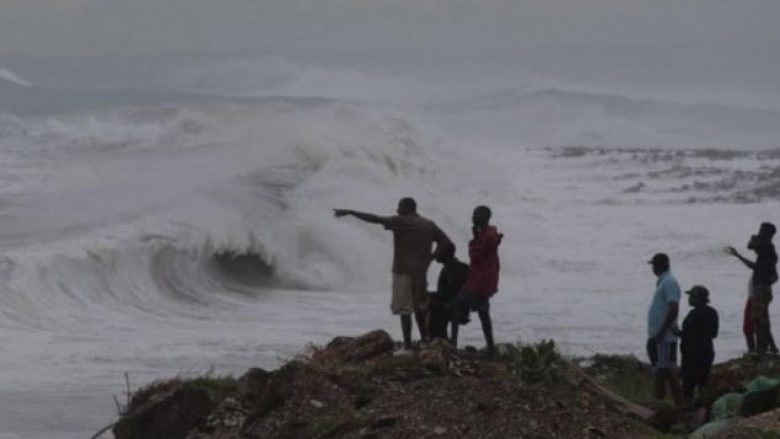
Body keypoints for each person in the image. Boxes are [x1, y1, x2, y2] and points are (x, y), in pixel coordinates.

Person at [334, 198, 451, 351]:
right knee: (419, 308)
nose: (397, 211)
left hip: (403, 271)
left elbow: (375, 219)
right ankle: (425, 339)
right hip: (420, 272)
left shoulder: (401, 221)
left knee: (404, 310)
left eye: (399, 208)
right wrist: (431, 257)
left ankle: (408, 344)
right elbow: (446, 242)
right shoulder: (429, 224)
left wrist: (351, 212)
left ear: (406, 209)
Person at [451, 205, 502, 354]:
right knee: (483, 313)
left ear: (483, 218)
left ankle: (453, 345)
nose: (473, 218)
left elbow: (476, 255)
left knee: (457, 305)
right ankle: (491, 346)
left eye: (475, 215)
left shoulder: (488, 237)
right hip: (484, 280)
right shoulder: (487, 234)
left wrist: (473, 240)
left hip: (480, 281)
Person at [726, 223, 779, 354]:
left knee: (759, 318)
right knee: (760, 318)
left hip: (761, 289)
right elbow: (755, 266)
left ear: (767, 233)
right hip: (761, 288)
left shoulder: (767, 247)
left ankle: (762, 348)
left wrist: (754, 237)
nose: (759, 232)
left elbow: (751, 245)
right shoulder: (767, 253)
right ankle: (766, 347)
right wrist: (738, 256)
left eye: (762, 230)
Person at [646, 252, 683, 405]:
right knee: (661, 370)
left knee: (667, 370)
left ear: (659, 266)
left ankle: (679, 404)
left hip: (665, 337)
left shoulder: (669, 282)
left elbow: (673, 307)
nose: (652, 268)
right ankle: (659, 403)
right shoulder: (663, 282)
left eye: (654, 265)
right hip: (660, 335)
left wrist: (661, 332)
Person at [679, 285, 719, 402]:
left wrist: (676, 332)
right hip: (707, 352)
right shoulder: (712, 312)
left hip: (692, 355)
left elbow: (688, 334)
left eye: (691, 296)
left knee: (688, 386)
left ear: (697, 298)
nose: (689, 298)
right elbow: (714, 334)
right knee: (703, 384)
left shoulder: (693, 315)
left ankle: (688, 411)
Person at [428, 241, 469, 339]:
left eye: (438, 251)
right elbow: (444, 293)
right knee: (428, 302)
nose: (436, 253)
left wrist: (429, 295)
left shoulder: (457, 269)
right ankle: (438, 338)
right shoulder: (449, 268)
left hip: (458, 306)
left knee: (431, 304)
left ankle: (441, 340)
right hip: (452, 303)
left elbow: (452, 293)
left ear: (445, 255)